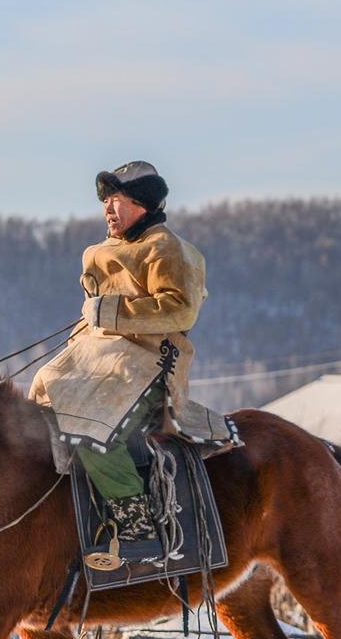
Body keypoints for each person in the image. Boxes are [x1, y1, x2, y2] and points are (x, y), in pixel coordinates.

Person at [28, 161, 237, 559]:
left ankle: (137, 524)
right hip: (97, 359)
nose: (108, 209)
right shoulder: (100, 253)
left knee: (90, 425)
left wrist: (109, 313)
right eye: (105, 201)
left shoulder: (167, 248)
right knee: (41, 397)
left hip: (146, 363)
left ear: (142, 203)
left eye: (117, 200)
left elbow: (180, 310)